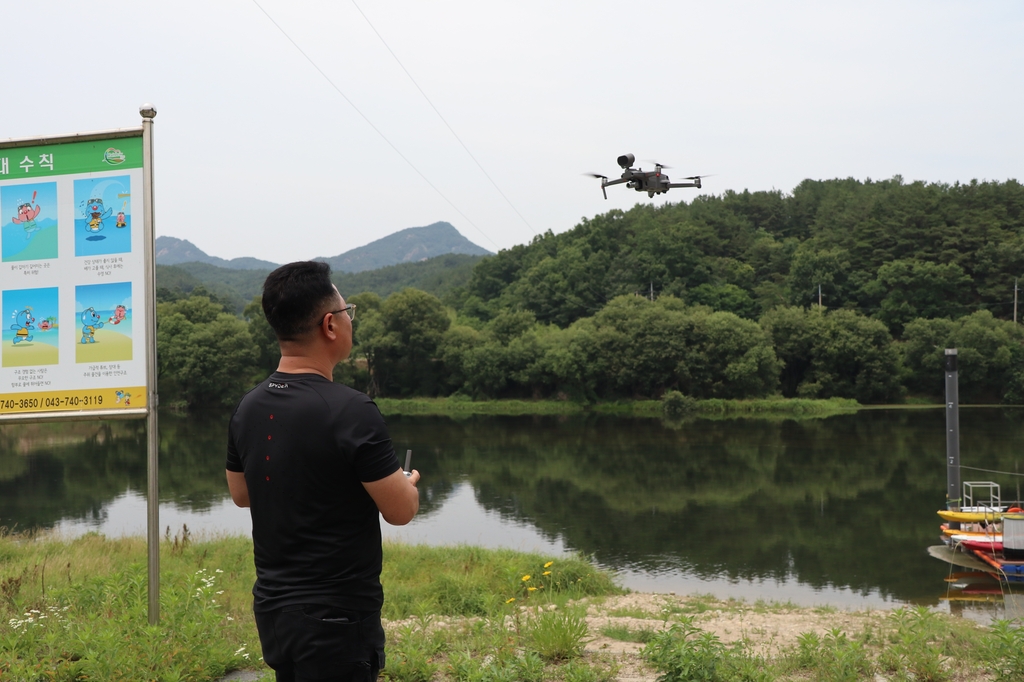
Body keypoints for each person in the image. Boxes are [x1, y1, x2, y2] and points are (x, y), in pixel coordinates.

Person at [226, 261, 420, 682]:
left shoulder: (248, 407)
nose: (351, 320)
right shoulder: (351, 411)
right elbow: (401, 511)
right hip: (338, 619)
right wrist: (408, 486)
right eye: (348, 312)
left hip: (274, 612)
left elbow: (242, 495)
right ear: (330, 325)